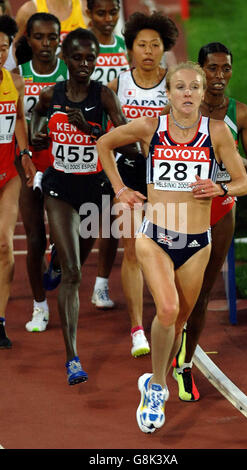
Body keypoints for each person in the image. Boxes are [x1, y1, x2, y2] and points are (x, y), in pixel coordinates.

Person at [96, 61, 247, 432]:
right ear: (168, 93)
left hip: (197, 242)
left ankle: (153, 380)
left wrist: (222, 188)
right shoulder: (152, 127)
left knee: (179, 320)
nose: (187, 93)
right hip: (156, 237)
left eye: (193, 87)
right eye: (179, 87)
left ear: (202, 93)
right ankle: (158, 388)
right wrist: (120, 189)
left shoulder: (216, 132)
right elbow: (104, 143)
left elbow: (245, 182)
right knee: (166, 308)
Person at [30, 27, 140, 385]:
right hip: (60, 190)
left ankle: (57, 258)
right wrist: (38, 135)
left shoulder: (104, 96)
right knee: (76, 275)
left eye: (90, 58)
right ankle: (72, 358)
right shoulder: (53, 95)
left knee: (74, 256)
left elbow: (131, 149)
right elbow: (36, 116)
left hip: (95, 191)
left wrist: (94, 131)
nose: (84, 64)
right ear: (65, 58)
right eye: (77, 58)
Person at [172, 43, 247, 402]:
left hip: (222, 208)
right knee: (180, 294)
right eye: (212, 69)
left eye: (226, 69)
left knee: (204, 293)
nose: (220, 77)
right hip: (184, 208)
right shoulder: (183, 108)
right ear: (201, 70)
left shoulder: (240, 114)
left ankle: (184, 364)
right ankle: (169, 342)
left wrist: (235, 160)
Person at [107, 11, 178, 357]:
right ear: (130, 49)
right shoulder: (118, 85)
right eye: (141, 45)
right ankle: (137, 327)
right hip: (130, 171)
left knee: (168, 248)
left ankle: (169, 315)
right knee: (132, 249)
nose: (148, 51)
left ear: (165, 48)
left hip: (167, 175)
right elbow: (106, 131)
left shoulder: (175, 83)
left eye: (155, 45)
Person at [14, 13, 68, 333]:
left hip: (64, 164)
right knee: (35, 239)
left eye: (52, 38)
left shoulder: (70, 72)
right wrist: (24, 156)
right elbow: (18, 119)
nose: (46, 44)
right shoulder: (18, 77)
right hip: (30, 163)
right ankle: (39, 306)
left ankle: (58, 261)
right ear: (28, 39)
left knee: (64, 236)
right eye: (39, 37)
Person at [85, 0, 130, 309]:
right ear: (89, 13)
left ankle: (101, 285)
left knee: (111, 216)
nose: (108, 19)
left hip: (114, 139)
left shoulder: (125, 46)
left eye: (113, 12)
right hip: (81, 139)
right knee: (84, 217)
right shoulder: (80, 43)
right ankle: (61, 254)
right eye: (100, 12)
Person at [0, 15, 36, 349]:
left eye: (2, 47)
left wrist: (24, 153)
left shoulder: (15, 80)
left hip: (7, 173)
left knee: (4, 245)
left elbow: (20, 119)